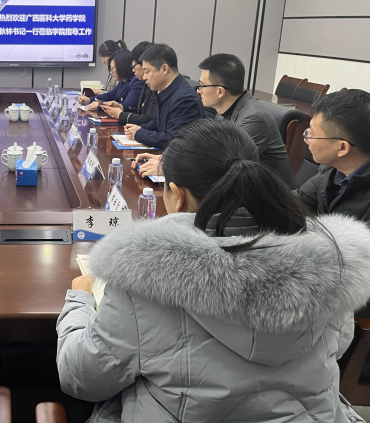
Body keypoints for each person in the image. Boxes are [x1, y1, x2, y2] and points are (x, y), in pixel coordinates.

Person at [57, 119, 370, 423]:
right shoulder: (332, 266)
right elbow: (338, 347)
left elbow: (82, 379)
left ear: (177, 195)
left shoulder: (145, 281)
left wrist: (80, 301)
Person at [132, 53, 293, 188]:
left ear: (220, 91)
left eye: (202, 86)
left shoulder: (253, 119)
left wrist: (168, 167)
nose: (198, 91)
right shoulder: (224, 110)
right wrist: (167, 159)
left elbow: (225, 167)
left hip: (266, 200)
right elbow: (204, 148)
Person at [296, 89, 370, 223]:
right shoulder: (332, 171)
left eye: (312, 134)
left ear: (342, 148)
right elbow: (291, 203)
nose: (306, 139)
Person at [124, 43, 204, 149]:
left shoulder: (185, 99)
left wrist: (139, 133)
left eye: (147, 72)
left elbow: (173, 140)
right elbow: (157, 124)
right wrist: (138, 128)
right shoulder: (164, 90)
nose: (144, 77)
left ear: (164, 69)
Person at [100, 41, 155, 125]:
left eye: (147, 71)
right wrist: (121, 107)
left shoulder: (138, 81)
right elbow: (140, 112)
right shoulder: (141, 83)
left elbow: (148, 119)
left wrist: (120, 114)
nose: (133, 70)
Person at [77, 49, 142, 110]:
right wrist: (89, 99)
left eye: (112, 68)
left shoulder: (136, 81)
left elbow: (126, 106)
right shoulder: (123, 81)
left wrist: (100, 105)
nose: (111, 72)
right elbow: (110, 95)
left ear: (121, 67)